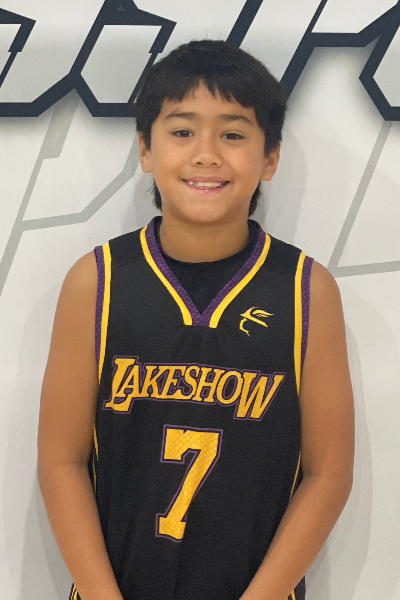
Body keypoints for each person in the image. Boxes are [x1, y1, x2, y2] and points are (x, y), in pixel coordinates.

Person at [38, 39, 354, 600]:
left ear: (270, 157)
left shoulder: (307, 291)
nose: (206, 154)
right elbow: (62, 462)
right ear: (145, 148)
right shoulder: (97, 282)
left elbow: (327, 475)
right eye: (182, 131)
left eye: (233, 135)